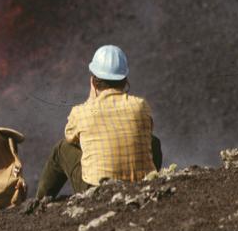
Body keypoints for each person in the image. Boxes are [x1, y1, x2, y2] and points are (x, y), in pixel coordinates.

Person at [35, 45, 162, 200]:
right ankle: (149, 185)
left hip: (97, 191)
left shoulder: (81, 112)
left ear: (93, 82)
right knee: (153, 141)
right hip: (138, 184)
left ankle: (39, 201)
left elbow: (71, 139)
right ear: (125, 80)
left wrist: (92, 101)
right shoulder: (141, 105)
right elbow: (147, 131)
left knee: (61, 149)